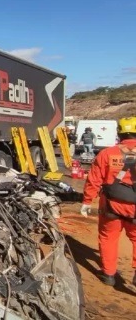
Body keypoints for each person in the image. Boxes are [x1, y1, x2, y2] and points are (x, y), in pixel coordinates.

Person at [80, 117, 136, 287]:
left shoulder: (107, 153)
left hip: (111, 205)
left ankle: (108, 274)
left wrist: (87, 201)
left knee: (108, 239)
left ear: (119, 132)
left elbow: (94, 179)